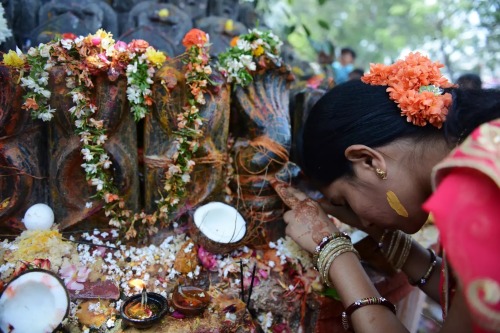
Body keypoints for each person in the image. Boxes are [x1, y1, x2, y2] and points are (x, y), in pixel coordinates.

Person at [272, 52, 500, 333]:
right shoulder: (484, 150)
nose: (364, 222)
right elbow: (470, 295)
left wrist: (333, 251)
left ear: (368, 161)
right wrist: (390, 240)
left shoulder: (475, 189)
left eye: (346, 201)